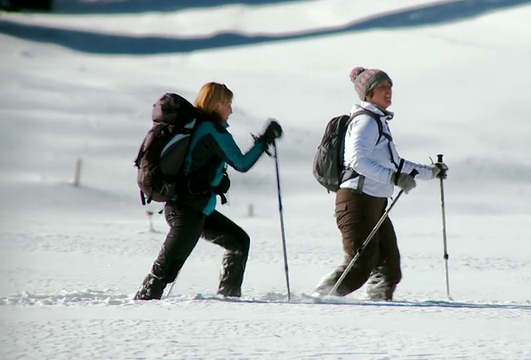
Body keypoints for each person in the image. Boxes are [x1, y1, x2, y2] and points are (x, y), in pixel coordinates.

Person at [134, 82, 283, 300]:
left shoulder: (197, 126)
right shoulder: (211, 130)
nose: (231, 110)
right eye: (228, 104)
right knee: (162, 273)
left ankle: (229, 297)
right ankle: (141, 306)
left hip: (193, 209)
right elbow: (241, 163)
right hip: (187, 211)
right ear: (217, 104)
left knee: (238, 242)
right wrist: (264, 141)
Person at [314, 67, 448, 301]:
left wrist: (431, 172)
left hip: (374, 203)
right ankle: (318, 301)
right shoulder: (366, 122)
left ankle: (379, 312)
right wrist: (393, 178)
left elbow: (397, 164)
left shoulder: (378, 122)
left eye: (390, 86)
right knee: (359, 266)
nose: (389, 91)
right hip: (356, 200)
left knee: (389, 269)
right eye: (382, 87)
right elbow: (357, 161)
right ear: (368, 93)